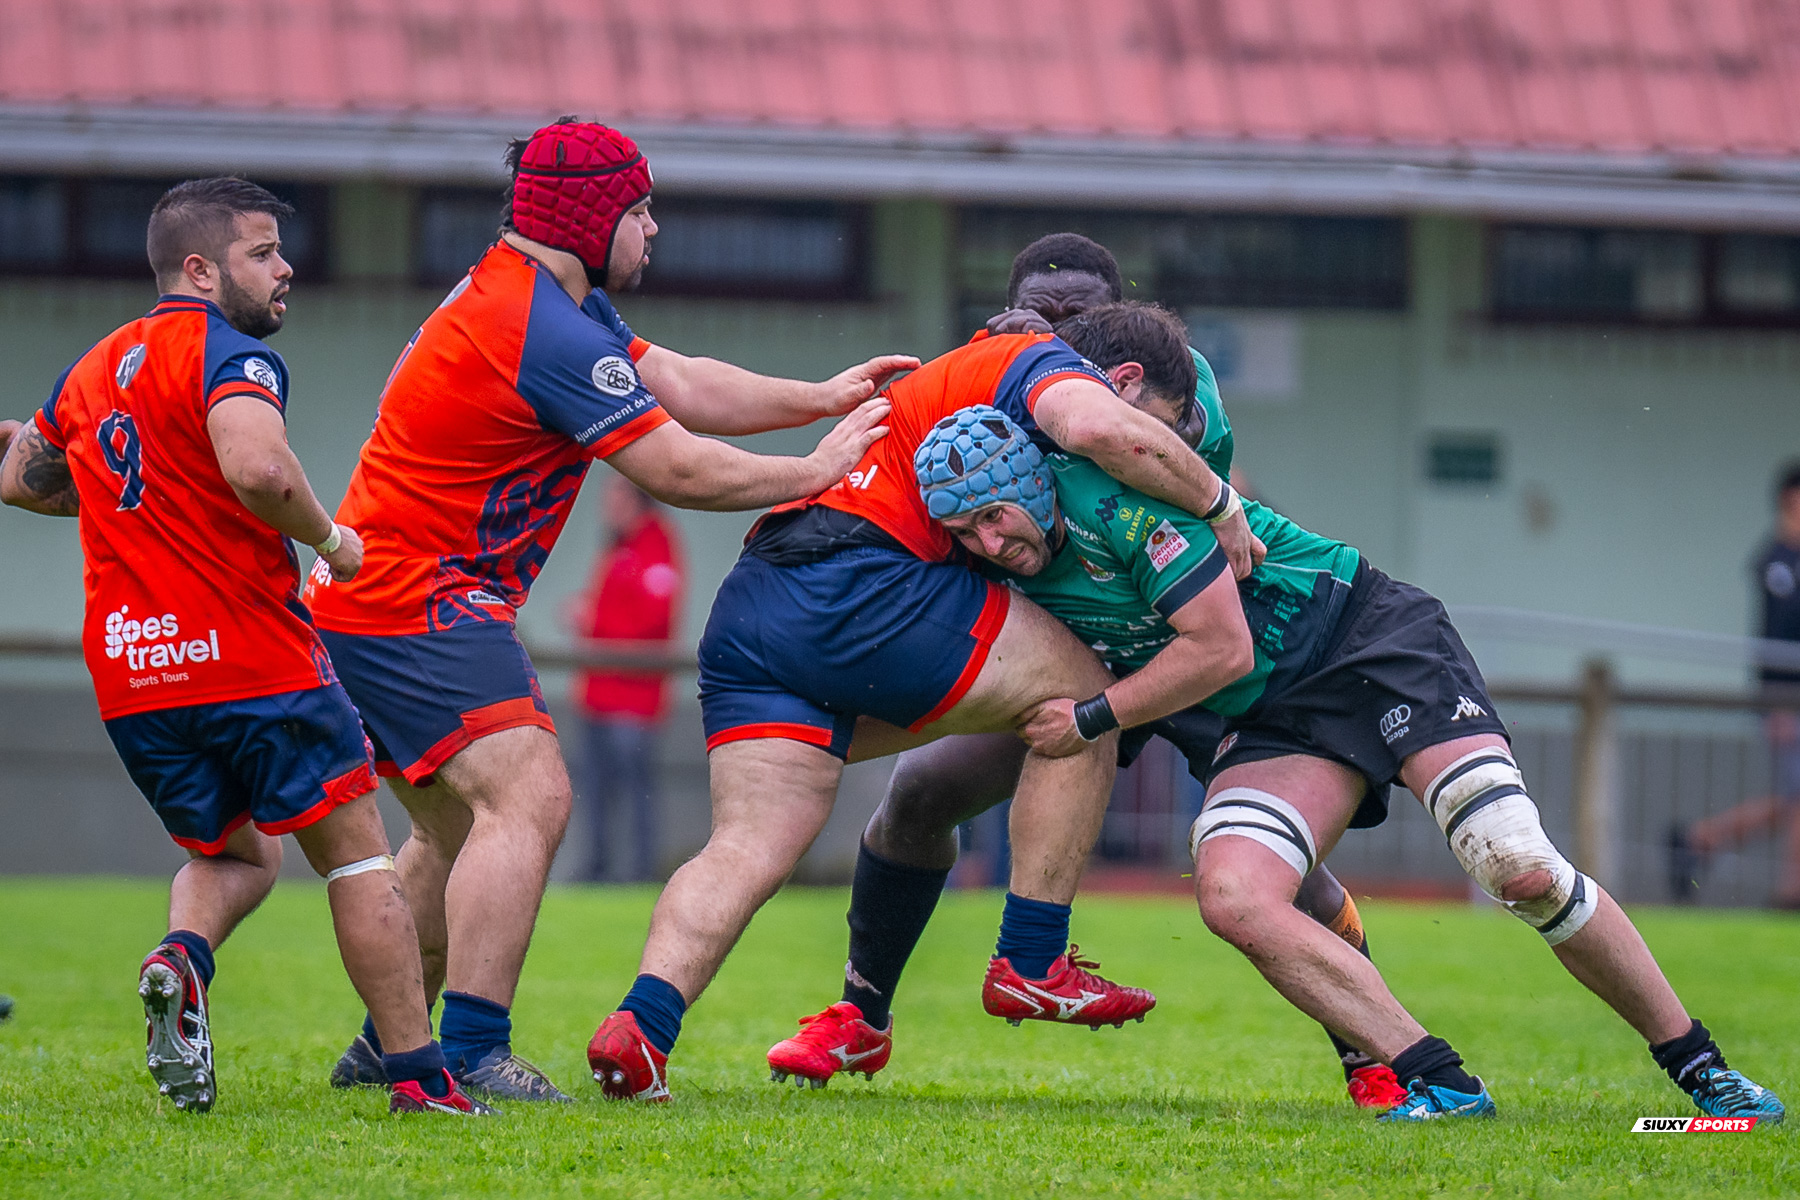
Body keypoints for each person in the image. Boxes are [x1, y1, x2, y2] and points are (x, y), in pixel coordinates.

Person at [925, 303, 1785, 1125]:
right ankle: (1437, 1080)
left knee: (1518, 867)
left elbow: (1218, 643)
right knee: (1232, 894)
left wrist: (1091, 717)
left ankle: (1701, 1067)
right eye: (970, 531)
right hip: (1274, 713)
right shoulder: (1017, 512)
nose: (987, 542)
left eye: (993, 521)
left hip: (1369, 641)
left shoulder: (1130, 465)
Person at [307, 118, 903, 1104]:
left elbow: (677, 381)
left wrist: (819, 395)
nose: (653, 229)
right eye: (640, 210)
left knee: (454, 827)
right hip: (417, 594)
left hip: (371, 593)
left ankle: (389, 1047)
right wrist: (816, 468)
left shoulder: (547, 301)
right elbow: (675, 468)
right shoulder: (539, 325)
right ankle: (471, 1050)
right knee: (529, 795)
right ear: (589, 218)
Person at [584, 292, 1266, 1101]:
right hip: (858, 580)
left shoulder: (955, 394)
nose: (1162, 449)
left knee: (744, 846)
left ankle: (643, 1026)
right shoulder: (1038, 368)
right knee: (1083, 695)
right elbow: (1102, 430)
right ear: (1107, 372)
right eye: (1166, 425)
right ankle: (1033, 959)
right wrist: (1219, 503)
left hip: (753, 607)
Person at [768, 298, 1404, 1111]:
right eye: (1035, 324)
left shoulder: (1172, 399)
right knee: (922, 791)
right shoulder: (1001, 416)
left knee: (1278, 869)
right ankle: (863, 1014)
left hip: (1191, 657)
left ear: (1113, 363)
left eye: (1064, 325)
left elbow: (1204, 486)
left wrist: (1215, 504)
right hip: (1074, 662)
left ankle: (1374, 1057)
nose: (1045, 341)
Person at [0, 177, 486, 1116]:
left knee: (237, 857)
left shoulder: (90, 369)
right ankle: (422, 1079)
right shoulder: (229, 354)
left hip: (137, 676)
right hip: (252, 662)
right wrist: (331, 539)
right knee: (358, 860)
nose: (283, 268)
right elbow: (260, 467)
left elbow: (23, 481)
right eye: (261, 253)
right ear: (199, 268)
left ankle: (181, 958)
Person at [1672, 461, 1800, 907]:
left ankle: (1701, 838)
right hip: (1786, 699)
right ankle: (1789, 893)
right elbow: (1773, 639)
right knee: (1796, 798)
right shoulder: (1776, 563)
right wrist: (1775, 704)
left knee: (1791, 800)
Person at [567, 475, 683, 882]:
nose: (608, 508)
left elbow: (654, 620)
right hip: (598, 693)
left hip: (634, 700)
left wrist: (592, 620)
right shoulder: (617, 546)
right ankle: (597, 869)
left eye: (614, 499)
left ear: (636, 499)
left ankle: (640, 872)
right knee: (595, 789)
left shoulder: (656, 544)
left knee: (636, 790)